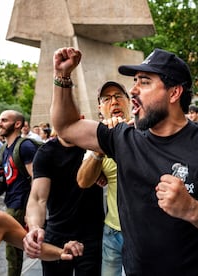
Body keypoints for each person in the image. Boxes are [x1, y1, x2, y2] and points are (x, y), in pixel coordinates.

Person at [48, 47, 198, 275]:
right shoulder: (122, 138)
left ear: (174, 93)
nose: (133, 90)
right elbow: (66, 126)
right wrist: (63, 77)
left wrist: (192, 209)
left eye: (144, 82)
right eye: (135, 81)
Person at [24, 130, 104, 276]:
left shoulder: (93, 144)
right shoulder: (46, 152)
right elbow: (37, 198)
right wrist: (35, 227)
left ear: (80, 120)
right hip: (57, 233)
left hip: (91, 235)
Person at [76, 81, 131, 276]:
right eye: (106, 99)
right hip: (112, 231)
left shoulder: (144, 131)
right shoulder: (98, 138)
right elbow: (83, 181)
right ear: (100, 107)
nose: (113, 102)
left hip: (142, 231)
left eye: (118, 96)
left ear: (128, 101)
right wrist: (99, 150)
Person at [0, 110, 39, 276]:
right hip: (10, 200)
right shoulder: (4, 148)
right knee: (15, 248)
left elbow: (36, 178)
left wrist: (32, 209)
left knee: (12, 248)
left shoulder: (25, 146)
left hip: (21, 203)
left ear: (17, 124)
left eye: (4, 120)